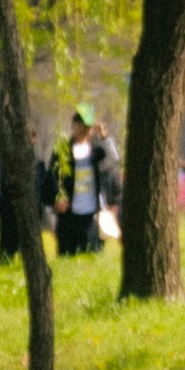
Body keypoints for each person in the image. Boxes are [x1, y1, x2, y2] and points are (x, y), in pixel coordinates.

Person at [53, 103, 120, 256]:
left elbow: (113, 160)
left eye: (87, 127)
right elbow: (53, 176)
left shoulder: (97, 150)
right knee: (68, 257)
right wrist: (57, 198)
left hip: (92, 216)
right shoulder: (63, 150)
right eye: (79, 125)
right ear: (73, 126)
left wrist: (105, 137)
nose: (83, 130)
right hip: (69, 216)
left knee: (91, 256)